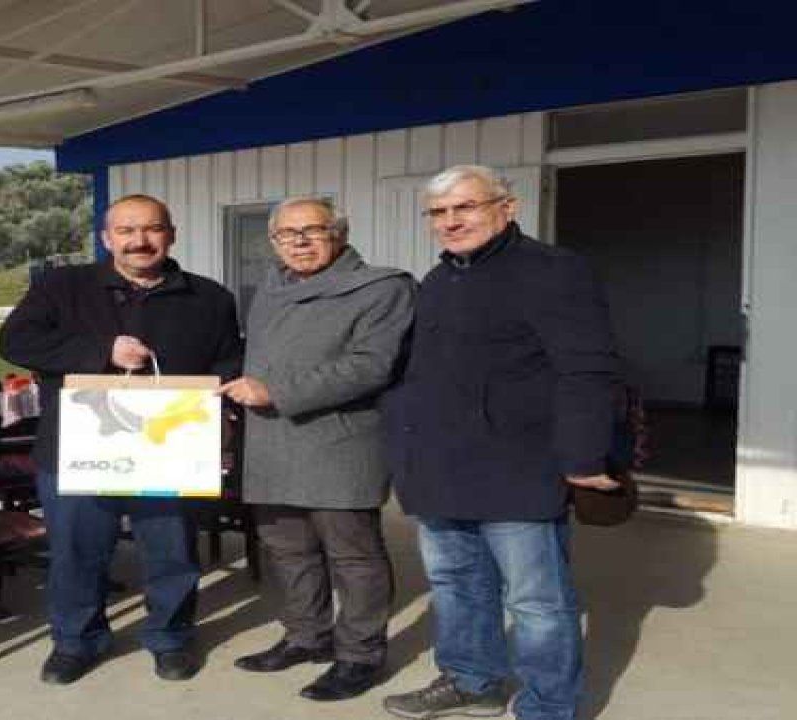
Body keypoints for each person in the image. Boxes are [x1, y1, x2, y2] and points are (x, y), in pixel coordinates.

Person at [381, 165, 620, 720]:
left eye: (464, 207)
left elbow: (587, 369)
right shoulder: (440, 279)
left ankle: (548, 706)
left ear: (506, 208)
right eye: (438, 212)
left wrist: (583, 456)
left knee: (537, 600)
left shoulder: (554, 270)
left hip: (518, 465)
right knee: (456, 583)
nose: (450, 221)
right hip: (440, 464)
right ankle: (471, 680)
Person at [0, 193, 242, 685]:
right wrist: (101, 351)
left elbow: (227, 362)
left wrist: (223, 413)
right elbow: (14, 342)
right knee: (76, 552)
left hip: (170, 450)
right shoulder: (62, 286)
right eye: (126, 231)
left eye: (152, 229)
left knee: (172, 552)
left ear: (171, 235)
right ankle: (77, 641)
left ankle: (170, 637)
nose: (139, 241)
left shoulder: (210, 297)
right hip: (78, 449)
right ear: (107, 238)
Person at [219, 196, 414, 701]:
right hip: (270, 441)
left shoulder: (382, 287)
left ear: (340, 234)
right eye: (287, 234)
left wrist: (275, 392)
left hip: (338, 442)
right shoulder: (271, 287)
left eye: (313, 230)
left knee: (354, 557)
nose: (299, 242)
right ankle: (306, 636)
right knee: (288, 550)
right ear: (273, 241)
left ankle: (360, 655)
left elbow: (371, 365)